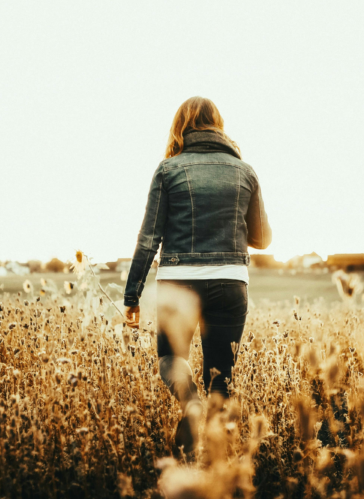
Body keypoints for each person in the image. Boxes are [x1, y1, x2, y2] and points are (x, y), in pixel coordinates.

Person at [123, 96, 271, 458]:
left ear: (182, 126)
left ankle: (191, 403)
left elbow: (148, 239)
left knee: (170, 359)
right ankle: (215, 462)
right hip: (231, 281)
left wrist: (131, 296)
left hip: (179, 281)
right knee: (221, 375)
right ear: (219, 126)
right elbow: (263, 238)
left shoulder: (168, 169)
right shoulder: (245, 171)